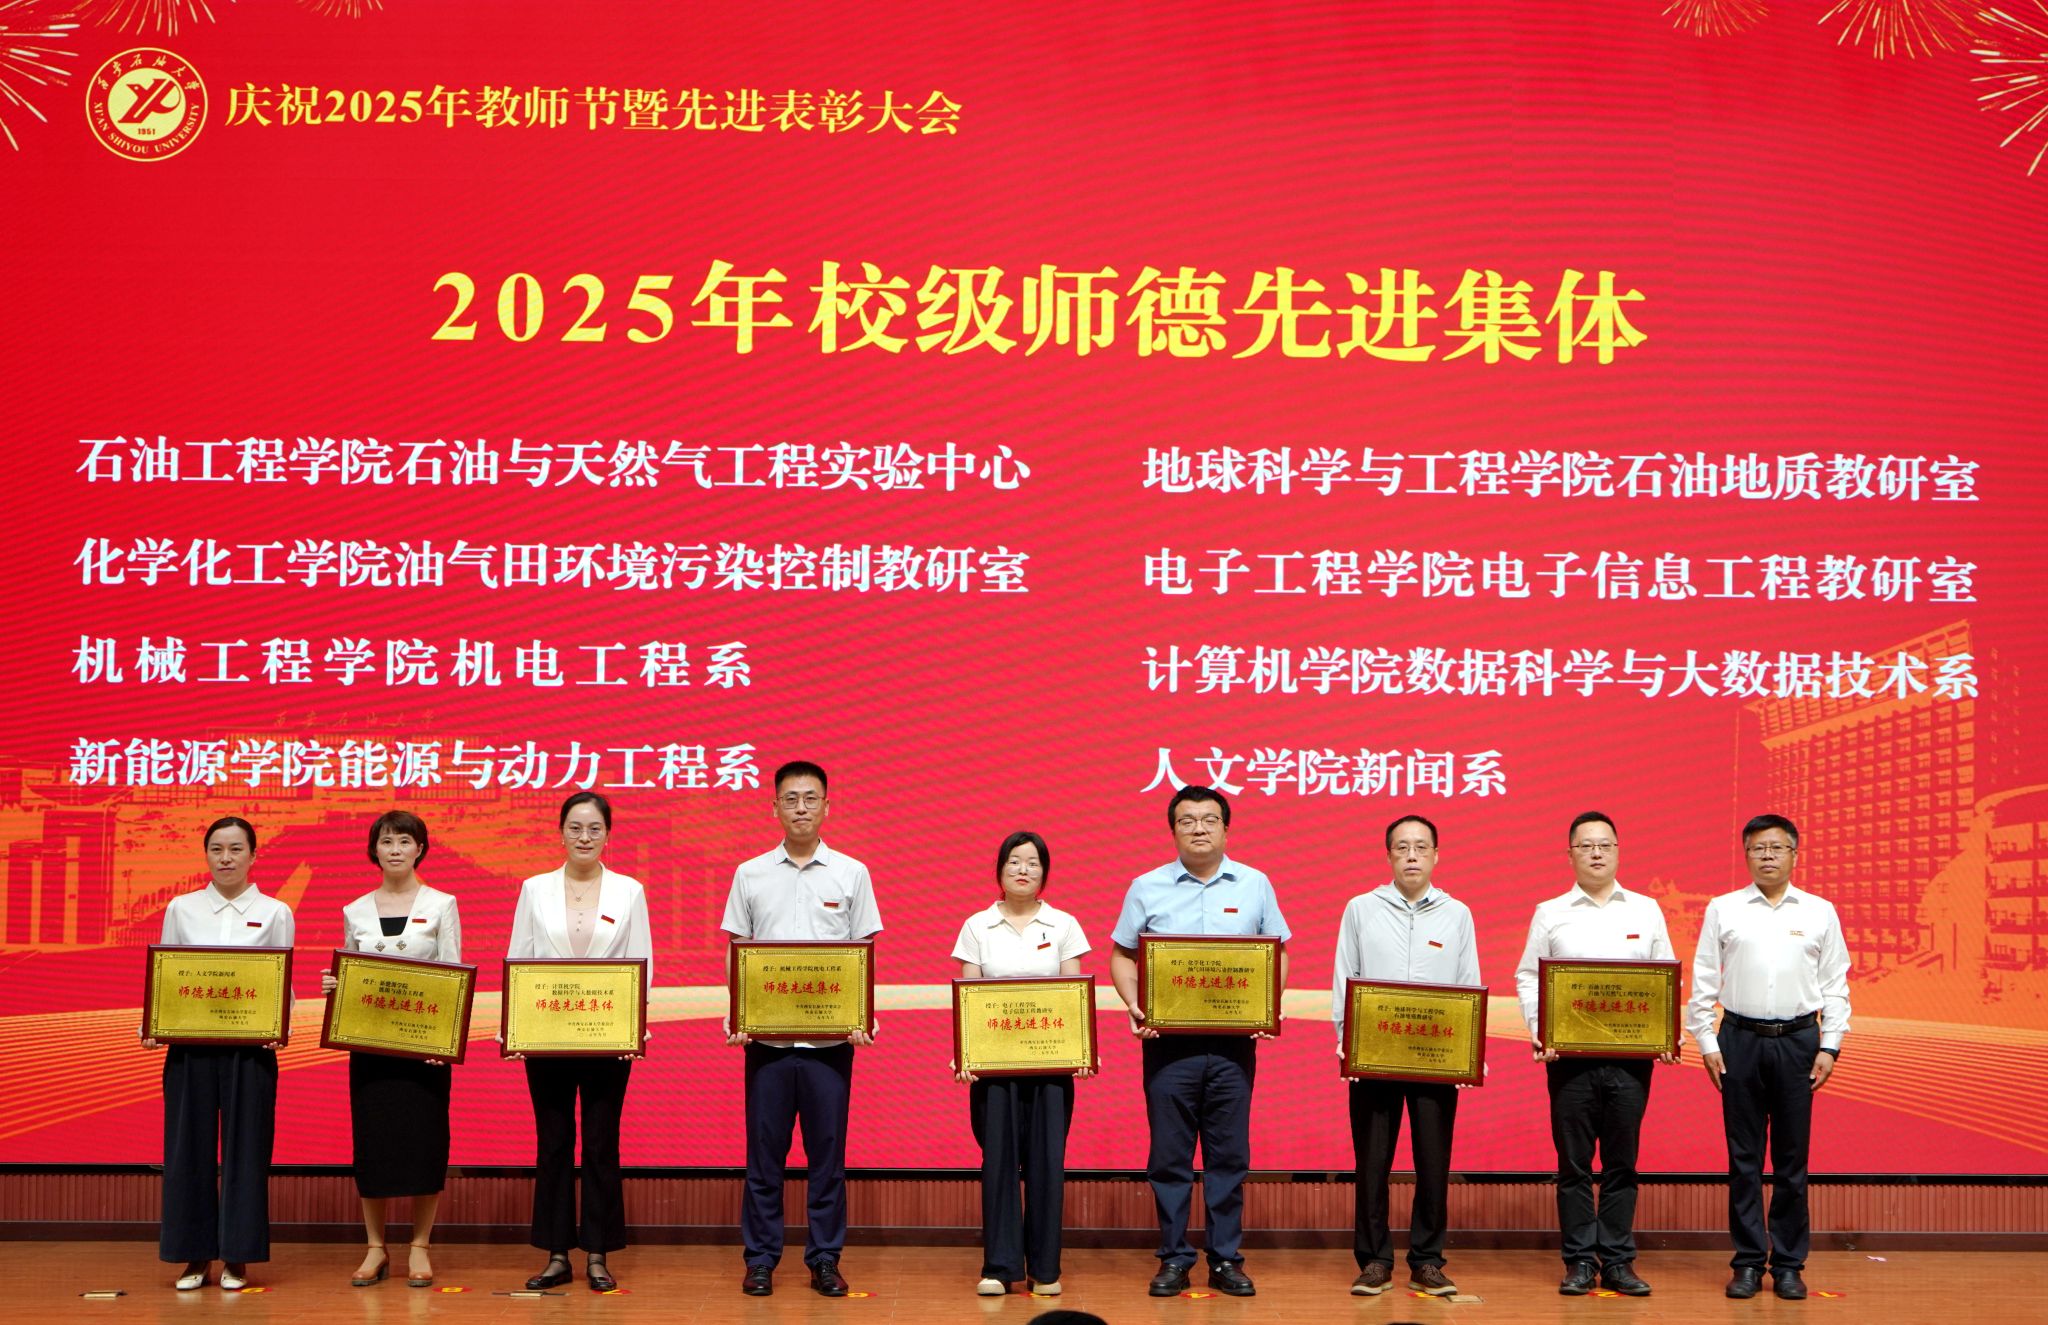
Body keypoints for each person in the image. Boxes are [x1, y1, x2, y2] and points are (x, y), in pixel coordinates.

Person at [1109, 785, 1289, 1299]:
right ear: (1173, 831)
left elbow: (1278, 951)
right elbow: (1122, 954)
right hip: (1169, 1047)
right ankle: (1174, 1257)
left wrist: (1267, 1005)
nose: (1199, 828)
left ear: (1226, 829)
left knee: (1228, 1157)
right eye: (1187, 820)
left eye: (1209, 819)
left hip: (1233, 1048)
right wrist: (1135, 1004)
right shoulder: (1147, 886)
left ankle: (1226, 1258)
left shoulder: (1255, 884)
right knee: (1169, 1159)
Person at [722, 760, 882, 1298]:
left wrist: (860, 1015)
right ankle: (761, 1259)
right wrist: (738, 1013)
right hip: (766, 1042)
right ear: (774, 807)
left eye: (810, 798)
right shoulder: (750, 873)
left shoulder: (851, 873)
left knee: (827, 1159)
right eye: (790, 799)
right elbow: (737, 950)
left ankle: (825, 1259)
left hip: (829, 1043)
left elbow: (863, 953)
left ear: (827, 807)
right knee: (763, 1158)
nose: (800, 808)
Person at [1687, 814, 1851, 1302]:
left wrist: (1830, 1045)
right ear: (1746, 854)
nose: (1767, 856)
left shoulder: (1819, 911)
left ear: (1794, 854)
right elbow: (1703, 980)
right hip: (1739, 1039)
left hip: (1799, 1041)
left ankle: (1788, 1264)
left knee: (1791, 1161)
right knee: (1744, 1160)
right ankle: (1747, 1262)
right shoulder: (1724, 908)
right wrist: (1707, 1043)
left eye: (1777, 848)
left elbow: (1835, 983)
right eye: (1758, 848)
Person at [1514, 811, 1678, 1298]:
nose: (1596, 853)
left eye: (1605, 844)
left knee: (1622, 1163)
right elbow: (1528, 976)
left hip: (1631, 1061)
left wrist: (1666, 1033)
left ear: (1618, 851)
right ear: (1570, 855)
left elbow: (1665, 976)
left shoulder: (1645, 910)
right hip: (1570, 1061)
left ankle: (1619, 1261)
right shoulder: (1551, 911)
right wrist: (1540, 1029)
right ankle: (1581, 1260)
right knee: (1575, 1165)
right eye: (1586, 845)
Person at [505, 791, 653, 1294]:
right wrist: (517, 1026)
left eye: (594, 828)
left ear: (608, 835)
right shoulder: (535, 889)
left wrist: (635, 1029)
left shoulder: (629, 891)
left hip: (607, 1037)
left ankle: (597, 1253)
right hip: (547, 1035)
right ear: (561, 832)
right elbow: (519, 960)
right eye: (575, 827)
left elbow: (641, 965)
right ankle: (556, 1254)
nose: (584, 837)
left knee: (600, 1143)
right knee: (553, 1143)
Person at [1331, 813, 1480, 1298]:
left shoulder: (1457, 913)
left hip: (1436, 1059)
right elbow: (1346, 977)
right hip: (1373, 1056)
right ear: (1389, 855)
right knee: (1371, 1163)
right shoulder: (1361, 908)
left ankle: (1428, 1260)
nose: (1412, 855)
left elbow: (1468, 983)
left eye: (1421, 847)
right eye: (1402, 847)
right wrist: (1346, 1043)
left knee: (1433, 1162)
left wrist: (1468, 1051)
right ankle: (1374, 1260)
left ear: (1436, 855)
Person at [150, 815, 294, 1292]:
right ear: (206, 855)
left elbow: (282, 980)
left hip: (250, 1052)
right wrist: (154, 1023)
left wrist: (279, 1027)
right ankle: (195, 1257)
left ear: (253, 856)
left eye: (236, 849)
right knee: (187, 1151)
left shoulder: (275, 911)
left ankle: (237, 1257)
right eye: (217, 849)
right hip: (190, 1049)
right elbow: (166, 973)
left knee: (247, 1152)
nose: (226, 858)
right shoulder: (182, 908)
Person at [319, 811, 461, 1288]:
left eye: (404, 841)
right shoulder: (355, 910)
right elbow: (350, 973)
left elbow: (452, 974)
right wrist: (335, 987)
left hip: (425, 1051)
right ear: (373, 850)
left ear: (420, 848)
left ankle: (420, 1246)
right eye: (386, 841)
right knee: (373, 1144)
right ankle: (375, 1247)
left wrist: (445, 1043)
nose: (395, 849)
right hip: (371, 1048)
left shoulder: (442, 904)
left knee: (425, 1143)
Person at [951, 830, 1091, 1297]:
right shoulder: (977, 926)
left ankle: (1045, 1270)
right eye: (1014, 861)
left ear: (1044, 872)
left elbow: (1073, 996)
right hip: (994, 1070)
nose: (1023, 869)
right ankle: (1000, 1267)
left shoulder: (1064, 925)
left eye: (1032, 862)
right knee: (998, 1164)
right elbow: (969, 996)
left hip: (1050, 1069)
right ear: (1000, 869)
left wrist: (1081, 1049)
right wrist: (966, 1053)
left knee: (1048, 1165)